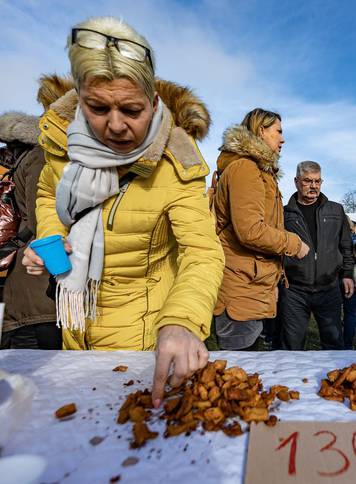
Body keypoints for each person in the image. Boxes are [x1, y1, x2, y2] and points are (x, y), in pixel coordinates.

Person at [22, 16, 224, 406]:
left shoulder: (176, 163)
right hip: (75, 323)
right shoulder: (61, 145)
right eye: (98, 107)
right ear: (79, 101)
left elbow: (202, 253)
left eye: (131, 110)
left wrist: (181, 322)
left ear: (153, 104)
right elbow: (49, 193)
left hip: (141, 338)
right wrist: (50, 236)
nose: (114, 126)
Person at [213, 108, 309, 350]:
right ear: (261, 131)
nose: (282, 139)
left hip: (252, 286)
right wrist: (294, 244)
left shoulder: (259, 171)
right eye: (278, 131)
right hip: (239, 289)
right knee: (238, 372)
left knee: (250, 366)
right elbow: (251, 230)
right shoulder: (246, 168)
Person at [278, 161, 354, 350]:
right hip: (295, 290)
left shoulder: (336, 210)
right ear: (296, 181)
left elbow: (345, 246)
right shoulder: (283, 214)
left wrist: (346, 275)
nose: (313, 186)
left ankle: (336, 379)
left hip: (329, 288)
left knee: (334, 344)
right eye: (308, 181)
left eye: (317, 181)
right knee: (291, 346)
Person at [0, 109, 59, 349]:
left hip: (18, 289)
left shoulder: (15, 163)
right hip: (38, 296)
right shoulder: (40, 157)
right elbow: (41, 219)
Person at [342, 216, 356, 349]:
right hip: (349, 278)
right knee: (351, 314)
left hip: (347, 278)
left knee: (350, 314)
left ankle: (347, 345)